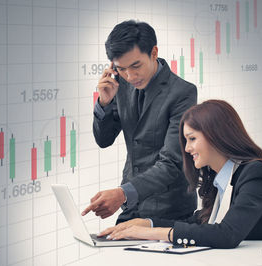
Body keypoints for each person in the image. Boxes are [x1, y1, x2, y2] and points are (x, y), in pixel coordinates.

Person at [98, 99, 262, 248]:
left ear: (216, 135)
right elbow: (198, 222)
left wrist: (151, 233)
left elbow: (227, 234)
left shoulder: (253, 173)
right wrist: (147, 223)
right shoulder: (222, 179)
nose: (187, 149)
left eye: (192, 139)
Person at [81, 20, 197, 224]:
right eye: (122, 69)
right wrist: (104, 103)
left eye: (136, 66)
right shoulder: (122, 85)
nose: (130, 76)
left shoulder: (182, 93)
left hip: (170, 210)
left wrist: (121, 194)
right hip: (132, 207)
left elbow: (171, 163)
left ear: (153, 53)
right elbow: (104, 139)